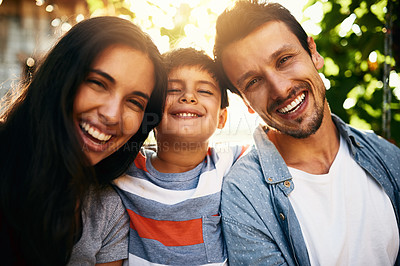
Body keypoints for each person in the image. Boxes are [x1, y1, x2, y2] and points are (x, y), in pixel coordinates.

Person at [213, 1, 400, 265]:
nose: (279, 89)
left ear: (313, 53)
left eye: (284, 60)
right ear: (245, 101)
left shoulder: (388, 158)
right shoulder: (244, 194)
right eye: (253, 81)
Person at [0, 16, 167, 265]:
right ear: (61, 75)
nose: (112, 115)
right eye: (98, 83)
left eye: (134, 102)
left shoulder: (107, 209)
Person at [114, 47, 248, 265]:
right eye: (173, 89)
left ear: (222, 117)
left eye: (204, 91)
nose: (188, 97)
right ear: (152, 108)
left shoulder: (229, 161)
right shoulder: (124, 168)